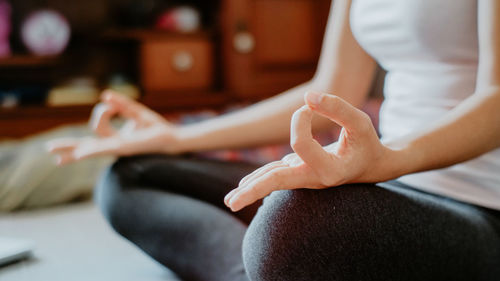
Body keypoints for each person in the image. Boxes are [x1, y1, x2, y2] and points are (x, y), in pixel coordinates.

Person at [47, 0, 500, 280]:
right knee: (133, 176)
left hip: (476, 205)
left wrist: (386, 158)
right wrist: (175, 137)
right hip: (388, 181)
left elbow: (496, 98)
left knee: (287, 222)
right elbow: (331, 88)